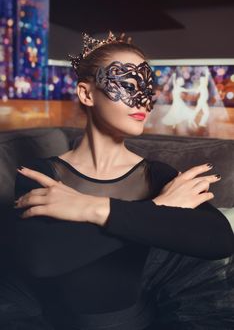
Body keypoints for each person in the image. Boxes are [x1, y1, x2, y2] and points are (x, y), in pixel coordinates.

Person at [10, 31, 234, 330]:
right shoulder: (41, 173)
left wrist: (91, 208)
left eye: (148, 89)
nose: (143, 100)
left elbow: (219, 240)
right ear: (86, 94)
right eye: (128, 85)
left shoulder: (156, 175)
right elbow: (41, 260)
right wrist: (158, 207)